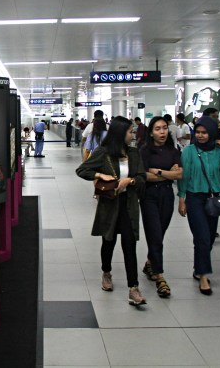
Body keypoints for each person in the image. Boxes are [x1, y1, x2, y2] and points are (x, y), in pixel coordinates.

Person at [76, 116, 147, 306]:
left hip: (129, 204)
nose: (133, 135)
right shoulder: (104, 152)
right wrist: (100, 174)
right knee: (108, 240)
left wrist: (129, 181)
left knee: (129, 244)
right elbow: (82, 170)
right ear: (119, 132)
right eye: (130, 132)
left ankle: (133, 288)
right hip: (109, 204)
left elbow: (141, 177)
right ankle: (106, 272)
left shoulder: (134, 153)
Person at [177, 116, 220, 295]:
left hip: (213, 199)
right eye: (198, 132)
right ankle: (203, 276)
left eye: (205, 133)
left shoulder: (218, 152)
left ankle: (198, 267)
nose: (201, 136)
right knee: (202, 237)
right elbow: (184, 176)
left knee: (209, 237)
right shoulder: (189, 152)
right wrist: (182, 199)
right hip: (194, 198)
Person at [139, 117, 183, 298]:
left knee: (160, 232)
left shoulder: (173, 150)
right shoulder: (144, 151)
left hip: (166, 195)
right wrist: (168, 174)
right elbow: (143, 175)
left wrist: (157, 171)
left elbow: (179, 174)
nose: (162, 132)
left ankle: (150, 262)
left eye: (164, 128)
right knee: (155, 234)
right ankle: (160, 276)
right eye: (158, 129)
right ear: (151, 132)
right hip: (149, 196)